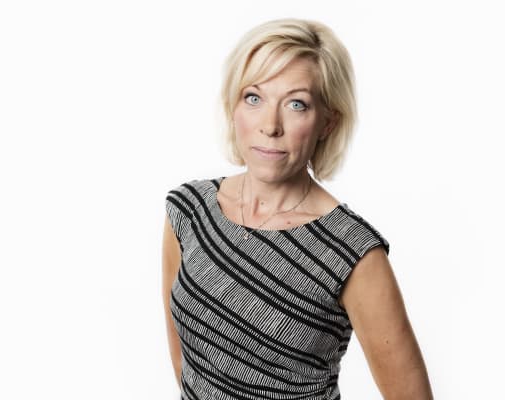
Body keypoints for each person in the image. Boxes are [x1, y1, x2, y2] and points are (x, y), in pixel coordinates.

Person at [162, 18, 433, 400]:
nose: (270, 125)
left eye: (296, 104)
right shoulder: (189, 210)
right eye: (253, 98)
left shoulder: (352, 253)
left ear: (327, 122)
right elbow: (187, 368)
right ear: (232, 106)